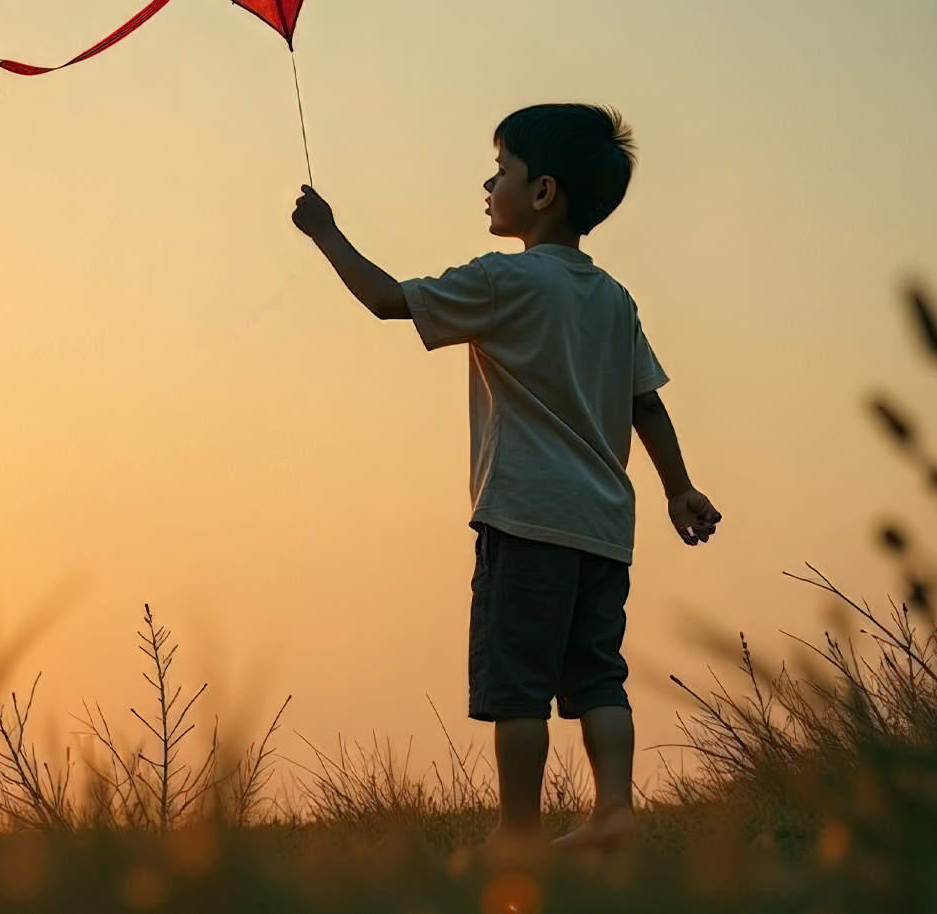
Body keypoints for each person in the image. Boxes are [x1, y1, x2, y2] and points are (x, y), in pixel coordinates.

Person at [291, 103, 721, 856]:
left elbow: (389, 301)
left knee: (516, 684)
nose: (488, 186)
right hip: (603, 527)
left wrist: (325, 231)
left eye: (501, 171)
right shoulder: (614, 298)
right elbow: (644, 402)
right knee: (597, 674)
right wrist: (678, 488)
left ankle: (518, 831)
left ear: (543, 191)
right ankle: (613, 809)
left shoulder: (503, 280)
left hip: (525, 515)